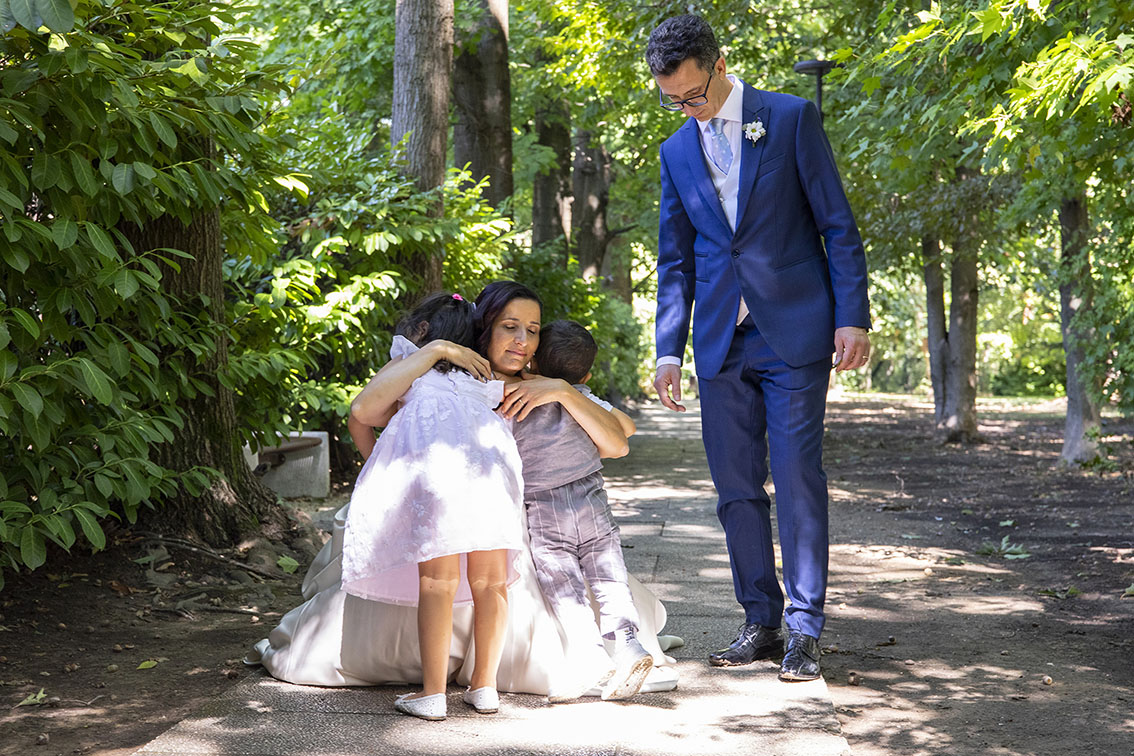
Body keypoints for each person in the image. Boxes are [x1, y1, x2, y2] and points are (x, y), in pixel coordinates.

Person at [245, 281, 678, 702]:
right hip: (445, 510)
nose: (522, 341)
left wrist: (561, 390)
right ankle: (501, 671)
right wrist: (383, 475)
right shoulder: (442, 376)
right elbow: (364, 414)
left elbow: (618, 441)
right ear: (483, 327)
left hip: (529, 516)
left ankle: (600, 653)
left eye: (532, 330)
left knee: (557, 569)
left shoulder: (536, 381)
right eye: (510, 327)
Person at [645, 15, 872, 682]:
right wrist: (667, 350)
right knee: (735, 489)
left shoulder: (791, 118)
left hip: (795, 331)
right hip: (719, 342)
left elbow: (838, 225)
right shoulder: (675, 152)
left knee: (799, 478)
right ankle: (760, 621)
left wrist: (852, 317)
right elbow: (675, 263)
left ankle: (805, 628)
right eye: (672, 101)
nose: (687, 110)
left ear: (720, 66)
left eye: (694, 95)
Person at [343, 292, 522, 721]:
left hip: (438, 478)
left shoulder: (412, 366)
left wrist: (380, 467)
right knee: (491, 583)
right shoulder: (480, 378)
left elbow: (361, 411)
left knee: (438, 584)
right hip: (492, 476)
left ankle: (433, 693)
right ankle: (485, 687)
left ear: (421, 332)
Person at [506, 320, 652, 702]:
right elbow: (627, 428)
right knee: (609, 579)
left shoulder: (515, 397)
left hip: (546, 506)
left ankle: (589, 655)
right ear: (586, 374)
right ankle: (627, 643)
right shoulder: (585, 398)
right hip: (592, 501)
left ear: (532, 362)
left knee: (564, 584)